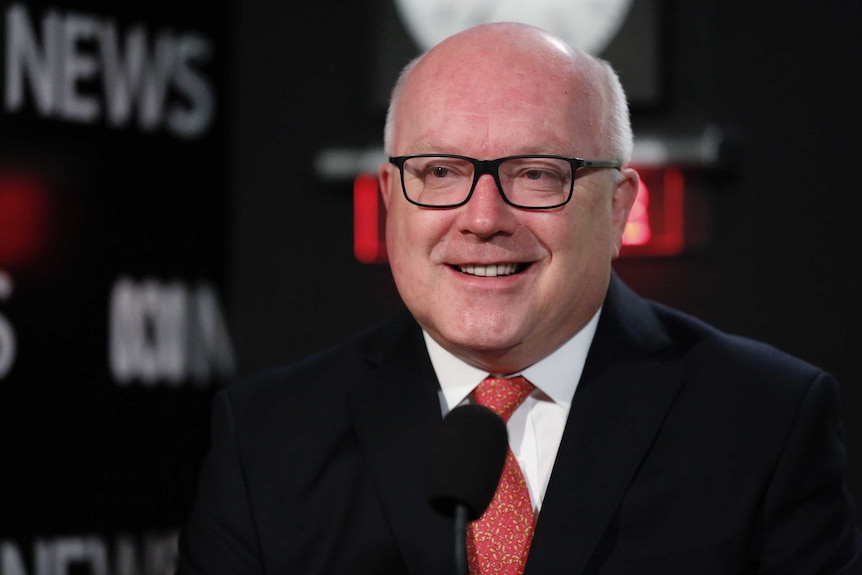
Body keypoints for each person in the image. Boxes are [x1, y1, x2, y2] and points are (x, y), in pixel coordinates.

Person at [175, 22, 862, 574]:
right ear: (390, 201)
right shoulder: (266, 439)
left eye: (536, 173)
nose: (482, 217)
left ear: (619, 207)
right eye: (440, 171)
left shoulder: (766, 421)